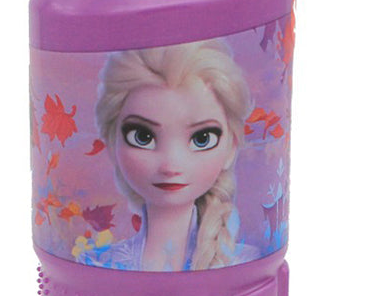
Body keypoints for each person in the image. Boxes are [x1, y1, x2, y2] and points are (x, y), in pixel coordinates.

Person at [77, 40, 256, 271]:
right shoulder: (95, 264)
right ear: (112, 143)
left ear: (231, 148)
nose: (171, 165)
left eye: (202, 138)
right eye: (142, 137)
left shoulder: (246, 262)